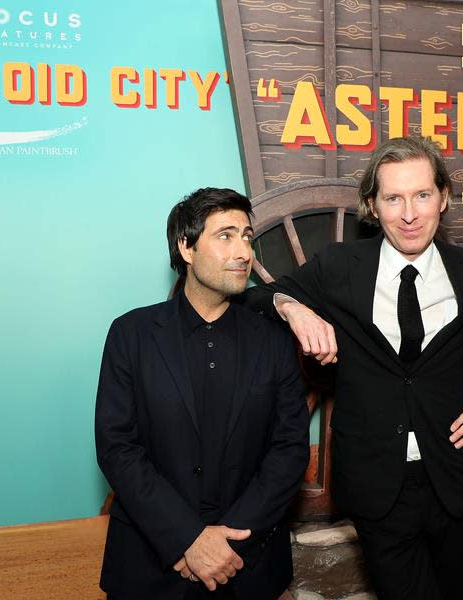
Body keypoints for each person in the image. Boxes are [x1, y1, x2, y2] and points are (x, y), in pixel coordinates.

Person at [240, 136, 463, 599]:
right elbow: (253, 297)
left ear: (443, 198)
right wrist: (293, 307)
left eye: (422, 195)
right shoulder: (340, 267)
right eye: (393, 198)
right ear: (372, 204)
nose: (410, 214)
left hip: (451, 480)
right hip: (375, 485)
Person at [95, 187, 310, 600]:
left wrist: (225, 546)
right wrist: (187, 540)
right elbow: (117, 447)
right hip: (151, 565)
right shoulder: (131, 334)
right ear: (186, 248)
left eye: (247, 236)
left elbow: (289, 449)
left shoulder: (275, 340)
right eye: (225, 236)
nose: (244, 251)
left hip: (248, 566)